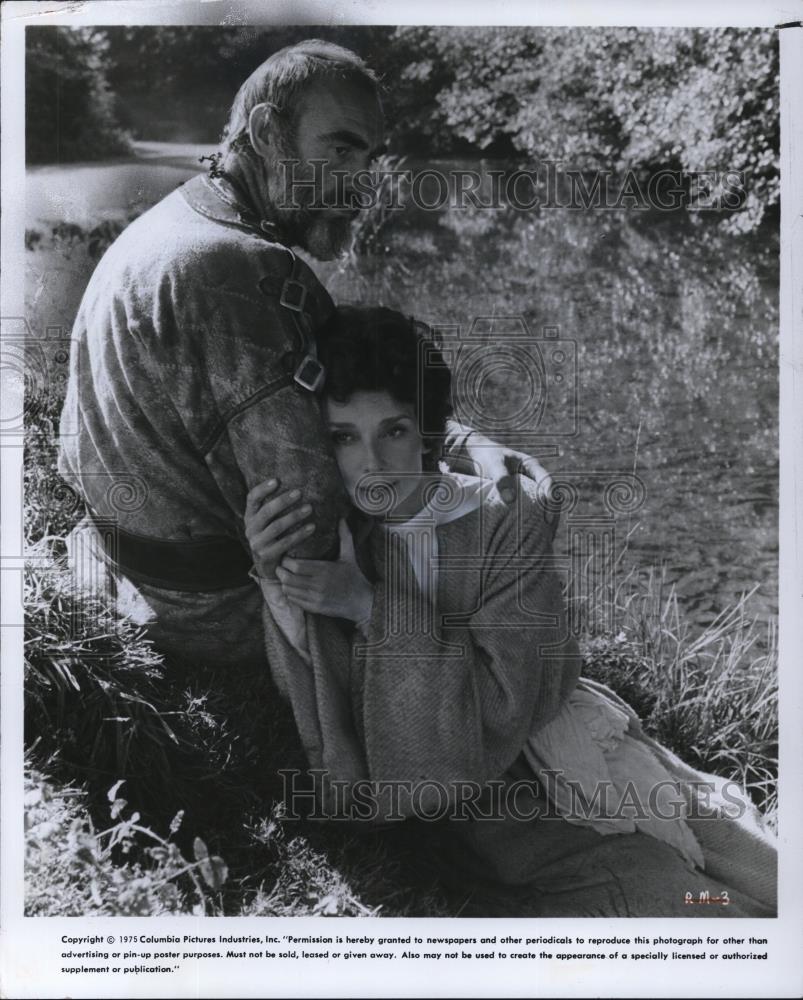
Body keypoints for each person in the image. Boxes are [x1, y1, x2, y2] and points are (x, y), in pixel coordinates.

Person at [244, 305, 778, 918]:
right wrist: (273, 572)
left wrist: (369, 607)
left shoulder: (502, 518)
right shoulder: (337, 532)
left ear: (426, 433)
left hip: (551, 748)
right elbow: (322, 697)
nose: (371, 464)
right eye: (343, 437)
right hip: (478, 812)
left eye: (393, 431)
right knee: (687, 910)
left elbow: (506, 701)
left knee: (763, 876)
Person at [58, 40, 549, 670]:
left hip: (123, 568)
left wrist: (461, 442)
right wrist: (484, 519)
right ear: (268, 133)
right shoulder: (242, 269)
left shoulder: (174, 221)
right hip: (215, 615)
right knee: (502, 551)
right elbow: (312, 523)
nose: (361, 183)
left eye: (368, 158)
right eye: (340, 150)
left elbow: (351, 392)